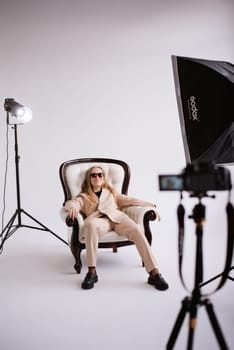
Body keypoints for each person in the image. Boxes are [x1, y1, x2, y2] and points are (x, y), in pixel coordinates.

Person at [65, 165, 169, 291]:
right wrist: (73, 208)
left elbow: (130, 200)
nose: (97, 177)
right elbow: (72, 202)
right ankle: (92, 272)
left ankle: (154, 273)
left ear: (103, 178)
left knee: (137, 230)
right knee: (91, 226)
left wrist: (151, 205)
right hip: (100, 221)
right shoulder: (84, 196)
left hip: (118, 218)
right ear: (89, 179)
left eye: (100, 174)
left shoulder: (111, 193)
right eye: (93, 175)